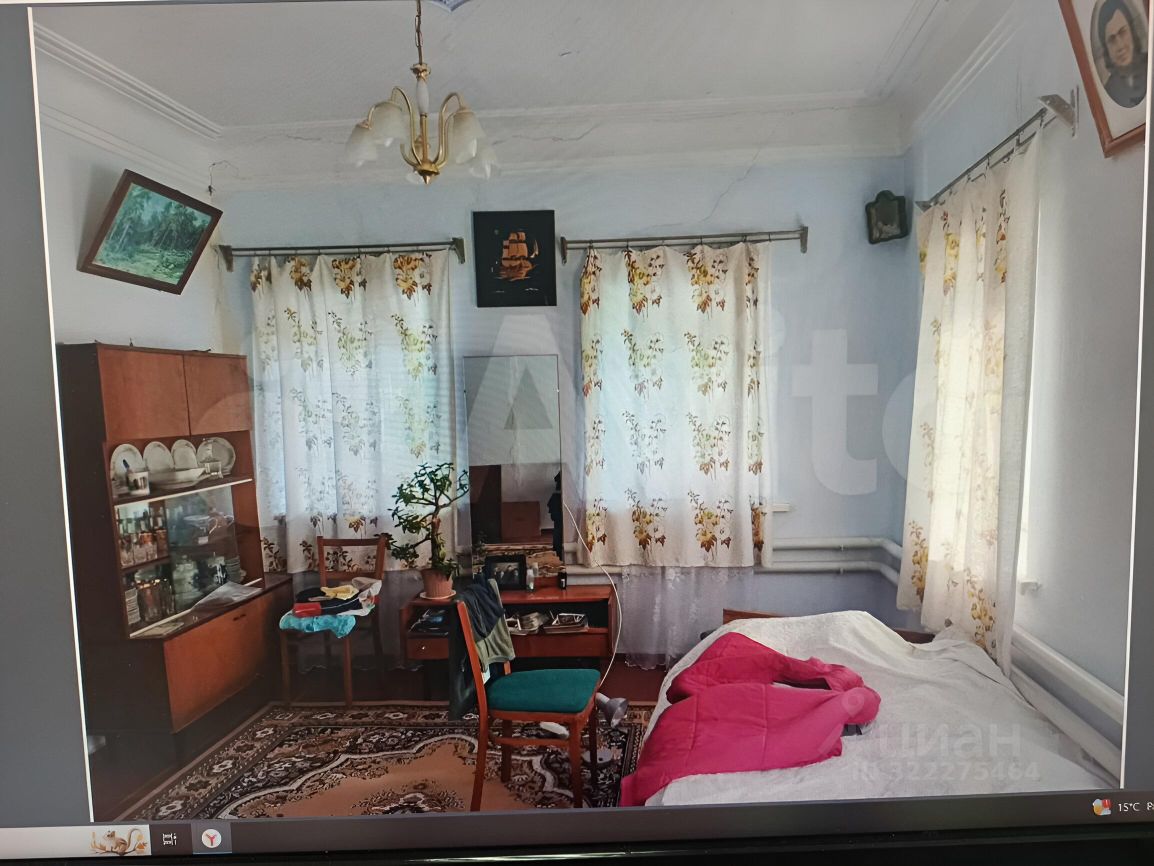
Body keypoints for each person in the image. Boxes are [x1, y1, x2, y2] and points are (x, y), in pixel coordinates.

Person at [1098, 0, 1148, 108]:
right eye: (1112, 40)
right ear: (1106, 50)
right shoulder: (1110, 89)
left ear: (1132, 32)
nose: (1120, 45)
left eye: (1122, 32)